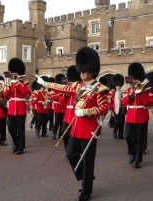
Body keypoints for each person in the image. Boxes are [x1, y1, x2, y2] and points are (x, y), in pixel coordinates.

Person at [36, 46, 109, 201]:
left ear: (92, 71)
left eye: (85, 71)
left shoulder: (100, 88)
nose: (82, 73)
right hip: (76, 128)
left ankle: (86, 191)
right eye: (81, 70)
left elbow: (104, 108)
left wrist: (86, 112)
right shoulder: (77, 86)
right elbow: (62, 87)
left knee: (88, 160)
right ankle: (86, 176)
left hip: (89, 129)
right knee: (70, 154)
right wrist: (45, 84)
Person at [121, 62, 150, 169]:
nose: (135, 81)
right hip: (130, 117)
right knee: (127, 136)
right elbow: (123, 103)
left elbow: (146, 102)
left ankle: (138, 160)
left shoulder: (145, 90)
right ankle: (132, 153)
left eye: (137, 79)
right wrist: (129, 96)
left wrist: (140, 93)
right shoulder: (128, 90)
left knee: (138, 139)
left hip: (140, 117)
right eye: (134, 79)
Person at [3, 58, 31, 155]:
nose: (14, 75)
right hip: (11, 109)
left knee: (20, 129)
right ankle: (16, 142)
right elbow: (6, 95)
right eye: (13, 73)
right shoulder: (9, 83)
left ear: (19, 74)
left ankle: (20, 147)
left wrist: (18, 84)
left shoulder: (24, 83)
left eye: (16, 73)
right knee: (10, 126)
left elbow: (25, 93)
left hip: (20, 108)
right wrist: (10, 87)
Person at [58, 65, 82, 149]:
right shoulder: (68, 88)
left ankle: (75, 149)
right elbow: (60, 100)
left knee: (75, 134)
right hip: (67, 115)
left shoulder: (80, 87)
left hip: (75, 114)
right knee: (64, 132)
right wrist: (64, 95)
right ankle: (67, 149)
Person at [51, 74, 66, 139]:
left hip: (64, 108)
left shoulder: (64, 88)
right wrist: (59, 95)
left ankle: (61, 135)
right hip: (58, 108)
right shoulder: (54, 90)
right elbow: (53, 98)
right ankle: (54, 133)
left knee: (62, 123)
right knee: (57, 121)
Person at [111, 74, 126, 139]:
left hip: (122, 109)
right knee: (118, 121)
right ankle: (115, 131)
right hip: (115, 109)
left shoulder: (123, 92)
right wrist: (113, 108)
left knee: (122, 122)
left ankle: (120, 134)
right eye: (117, 85)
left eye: (119, 85)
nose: (118, 86)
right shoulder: (112, 93)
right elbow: (110, 101)